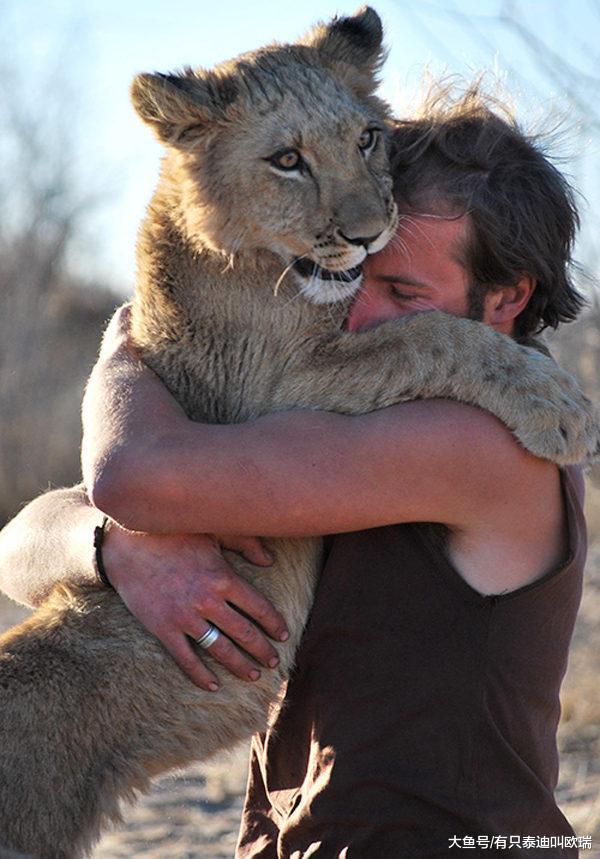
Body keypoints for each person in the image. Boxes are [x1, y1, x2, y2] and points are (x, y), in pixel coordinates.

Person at [0, 86, 589, 857]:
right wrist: (116, 549)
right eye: (352, 275)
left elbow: (132, 472)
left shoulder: (478, 440)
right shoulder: (348, 406)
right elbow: (19, 546)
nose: (358, 316)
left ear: (508, 297)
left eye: (403, 293)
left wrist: (125, 348)